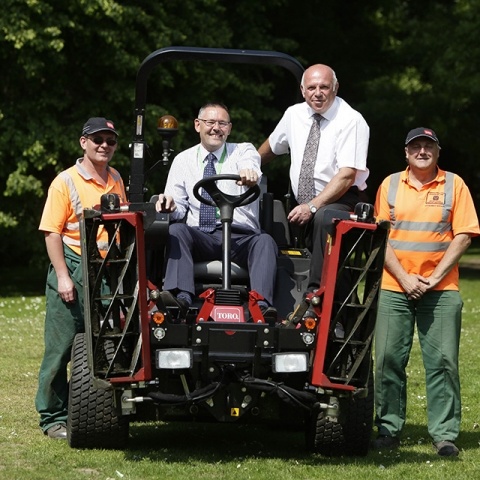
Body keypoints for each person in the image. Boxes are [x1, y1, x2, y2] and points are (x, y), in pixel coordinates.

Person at [372, 127, 480, 457]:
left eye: (428, 146)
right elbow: (381, 238)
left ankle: (445, 435)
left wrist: (432, 279)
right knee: (388, 359)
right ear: (406, 153)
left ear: (437, 151)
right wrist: (404, 278)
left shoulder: (454, 184)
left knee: (444, 361)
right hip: (394, 286)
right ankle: (388, 429)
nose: (422, 151)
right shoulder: (389, 185)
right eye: (415, 146)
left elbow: (463, 235)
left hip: (441, 288)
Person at [35, 117, 126, 439]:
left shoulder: (115, 177)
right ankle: (52, 418)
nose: (104, 145)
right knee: (60, 349)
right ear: (83, 143)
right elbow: (51, 233)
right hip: (74, 265)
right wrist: (63, 277)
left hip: (106, 270)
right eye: (97, 139)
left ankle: (95, 408)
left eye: (110, 141)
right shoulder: (66, 181)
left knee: (103, 346)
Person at [156, 102, 277, 322]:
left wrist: (249, 172)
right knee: (176, 230)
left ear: (229, 128)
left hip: (241, 238)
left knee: (265, 241)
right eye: (210, 122)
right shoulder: (182, 160)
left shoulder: (242, 151)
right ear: (197, 125)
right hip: (202, 236)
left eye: (222, 123)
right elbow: (179, 206)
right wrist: (170, 206)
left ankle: (261, 305)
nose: (216, 128)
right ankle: (180, 298)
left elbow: (252, 164)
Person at [258, 63, 370, 291]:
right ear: (302, 90)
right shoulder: (294, 114)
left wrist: (312, 207)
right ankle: (271, 294)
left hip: (344, 198)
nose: (317, 93)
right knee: (269, 213)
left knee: (324, 218)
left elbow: (347, 176)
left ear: (335, 88)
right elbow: (270, 148)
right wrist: (245, 167)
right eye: (311, 88)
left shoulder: (351, 120)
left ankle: (315, 294)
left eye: (324, 87)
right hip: (305, 204)